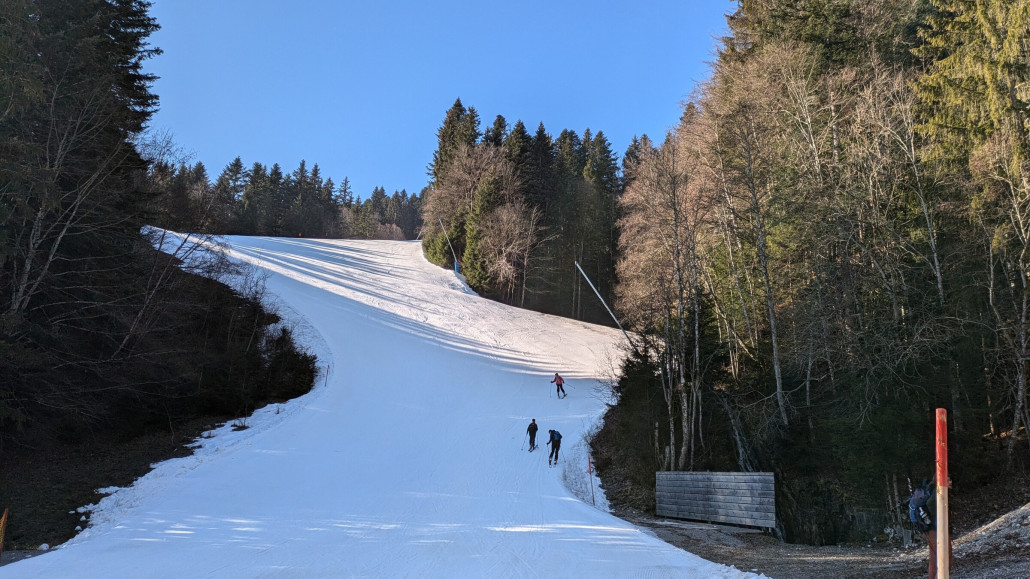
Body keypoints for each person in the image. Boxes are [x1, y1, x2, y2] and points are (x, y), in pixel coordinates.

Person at [923, 475, 954, 578]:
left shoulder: (936, 491)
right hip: (935, 529)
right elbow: (930, 504)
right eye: (948, 480)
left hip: (932, 528)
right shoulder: (938, 492)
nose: (950, 482)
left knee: (934, 558)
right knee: (946, 558)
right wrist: (938, 519)